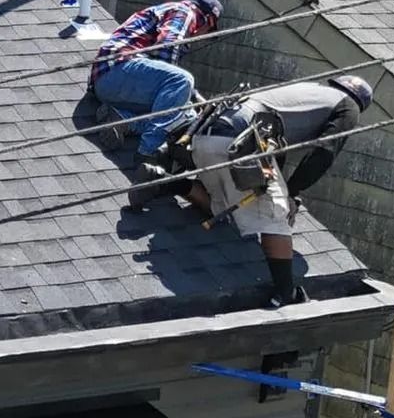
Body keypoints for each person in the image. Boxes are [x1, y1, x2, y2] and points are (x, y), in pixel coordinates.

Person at [132, 75, 372, 307]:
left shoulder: (307, 93)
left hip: (206, 137)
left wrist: (288, 188)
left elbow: (278, 148)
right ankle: (285, 292)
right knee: (276, 217)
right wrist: (291, 193)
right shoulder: (348, 106)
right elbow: (323, 153)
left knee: (226, 207)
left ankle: (164, 182)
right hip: (239, 144)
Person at [90, 0, 223, 159]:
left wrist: (194, 100)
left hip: (113, 82)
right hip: (116, 70)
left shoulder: (172, 10)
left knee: (188, 115)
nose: (202, 36)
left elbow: (165, 79)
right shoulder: (186, 12)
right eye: (208, 30)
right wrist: (189, 94)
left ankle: (123, 119)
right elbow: (167, 48)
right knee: (183, 81)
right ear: (207, 19)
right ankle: (148, 152)